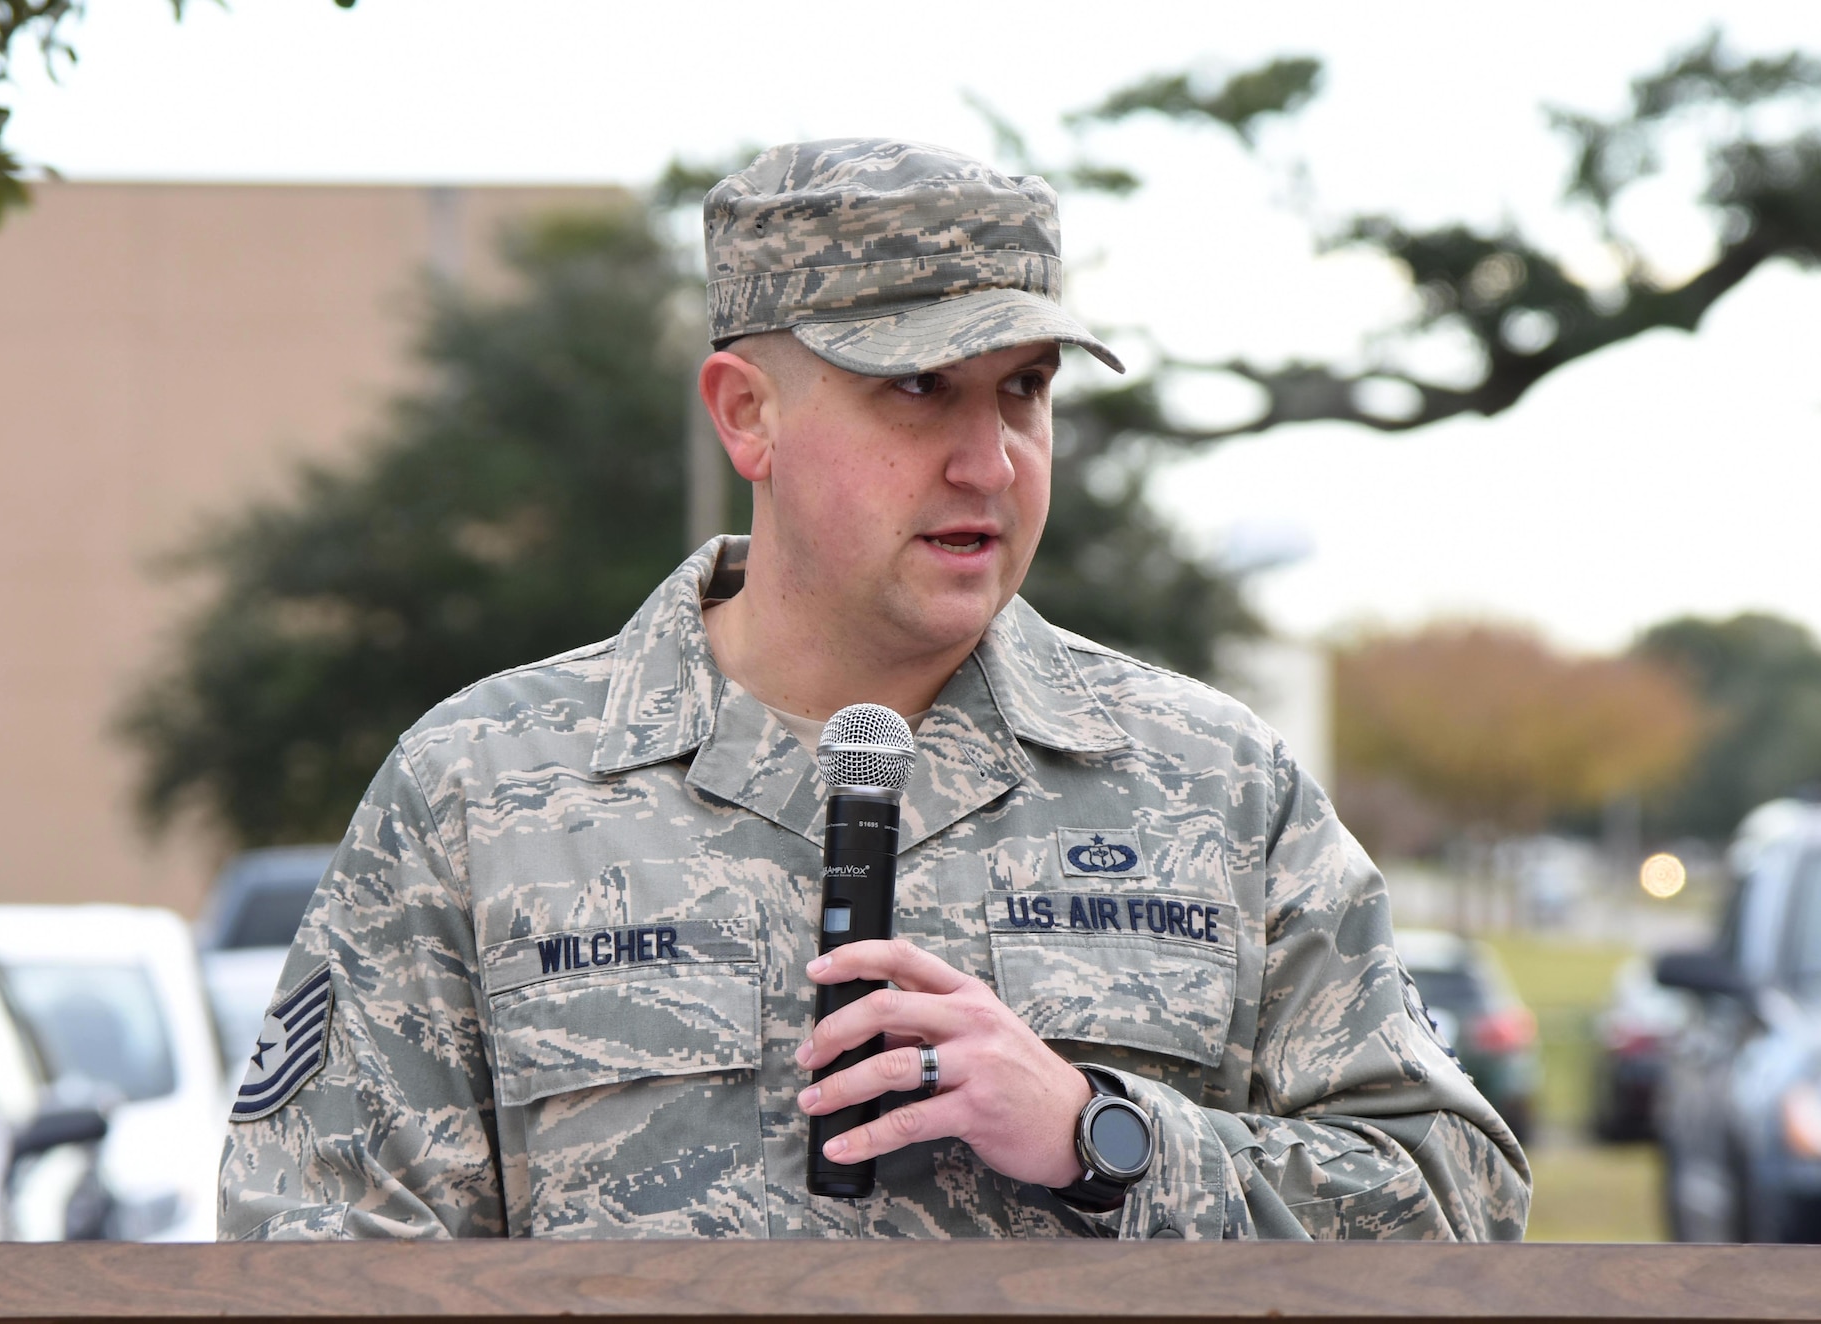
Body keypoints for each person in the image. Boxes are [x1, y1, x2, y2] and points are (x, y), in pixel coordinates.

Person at [218, 138, 1530, 1242]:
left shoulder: (1215, 789)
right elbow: (314, 1250)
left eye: (1024, 391)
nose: (990, 462)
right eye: (918, 390)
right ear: (747, 417)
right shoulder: (482, 796)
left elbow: (1457, 1204)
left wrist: (1104, 1137)